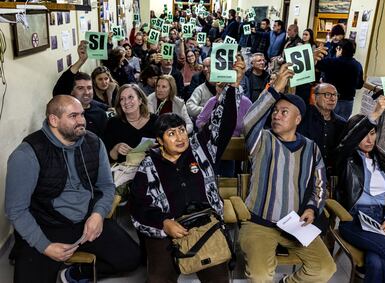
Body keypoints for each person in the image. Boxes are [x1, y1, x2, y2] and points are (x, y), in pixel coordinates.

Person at [129, 58, 246, 283]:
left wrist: (233, 87)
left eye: (181, 130)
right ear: (159, 141)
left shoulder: (201, 148)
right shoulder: (148, 167)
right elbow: (139, 205)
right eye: (171, 134)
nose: (180, 137)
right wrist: (164, 223)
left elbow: (222, 123)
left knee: (219, 279)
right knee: (158, 278)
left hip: (205, 223)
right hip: (168, 228)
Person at [5, 95, 141, 283]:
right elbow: (16, 210)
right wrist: (45, 246)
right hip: (47, 224)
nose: (81, 121)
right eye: (73, 116)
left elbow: (107, 186)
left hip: (87, 220)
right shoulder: (27, 154)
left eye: (82, 115)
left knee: (132, 258)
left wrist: (98, 215)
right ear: (54, 120)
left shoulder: (93, 142)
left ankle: (76, 273)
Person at [239, 64, 336, 283]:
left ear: (297, 120)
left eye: (284, 112)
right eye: (275, 111)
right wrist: (274, 90)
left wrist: (312, 208)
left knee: (325, 268)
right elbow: (248, 121)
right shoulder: (262, 140)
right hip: (259, 223)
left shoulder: (311, 149)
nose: (276, 115)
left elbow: (320, 187)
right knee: (260, 276)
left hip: (295, 224)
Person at [335, 95, 385, 283]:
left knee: (376, 263)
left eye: (372, 133)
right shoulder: (346, 157)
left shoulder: (384, 159)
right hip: (355, 219)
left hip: (382, 220)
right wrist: (374, 114)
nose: (368, 139)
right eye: (364, 134)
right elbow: (347, 142)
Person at [298, 82, 346, 178]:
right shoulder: (303, 116)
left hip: (326, 175)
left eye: (335, 95)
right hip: (303, 169)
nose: (332, 98)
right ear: (315, 97)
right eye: (327, 95)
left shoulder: (342, 123)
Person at [104, 84, 157, 163]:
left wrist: (158, 148)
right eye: (122, 99)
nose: (126, 102)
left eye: (130, 97)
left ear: (140, 100)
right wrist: (116, 149)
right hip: (124, 171)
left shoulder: (155, 120)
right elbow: (106, 159)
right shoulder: (113, 123)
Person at [316, 39, 364, 120]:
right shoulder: (357, 65)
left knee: (325, 124)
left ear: (340, 49)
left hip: (330, 99)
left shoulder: (331, 62)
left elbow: (316, 65)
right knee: (341, 127)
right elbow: (359, 85)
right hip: (348, 102)